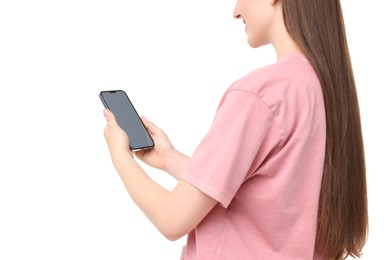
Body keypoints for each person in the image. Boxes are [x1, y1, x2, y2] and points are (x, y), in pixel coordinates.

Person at [102, 0, 368, 259]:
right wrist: (169, 159)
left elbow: (172, 219)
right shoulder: (320, 89)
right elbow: (269, 202)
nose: (235, 11)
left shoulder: (260, 93)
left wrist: (120, 157)